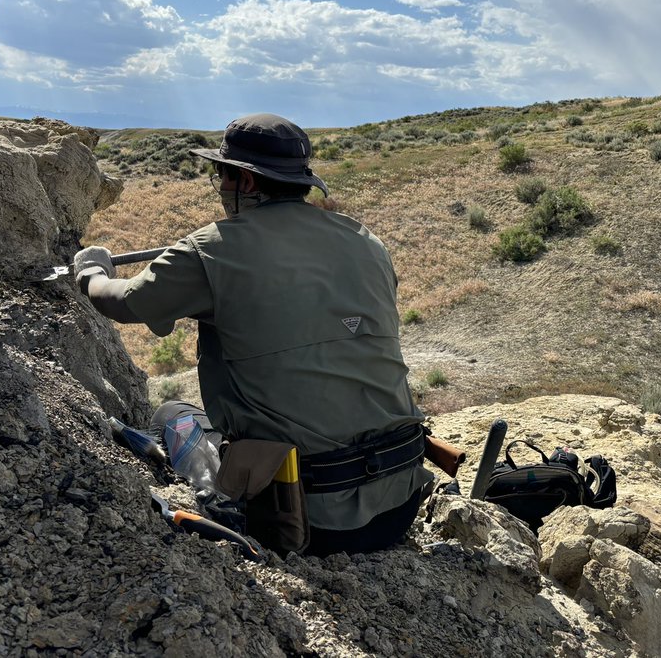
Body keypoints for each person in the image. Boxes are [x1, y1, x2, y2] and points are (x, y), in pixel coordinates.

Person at [73, 113, 434, 556]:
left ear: (244, 180)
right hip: (400, 503)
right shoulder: (366, 242)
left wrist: (90, 271)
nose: (221, 190)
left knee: (174, 414)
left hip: (304, 521)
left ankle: (218, 500)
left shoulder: (212, 249)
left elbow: (124, 302)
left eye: (221, 177)